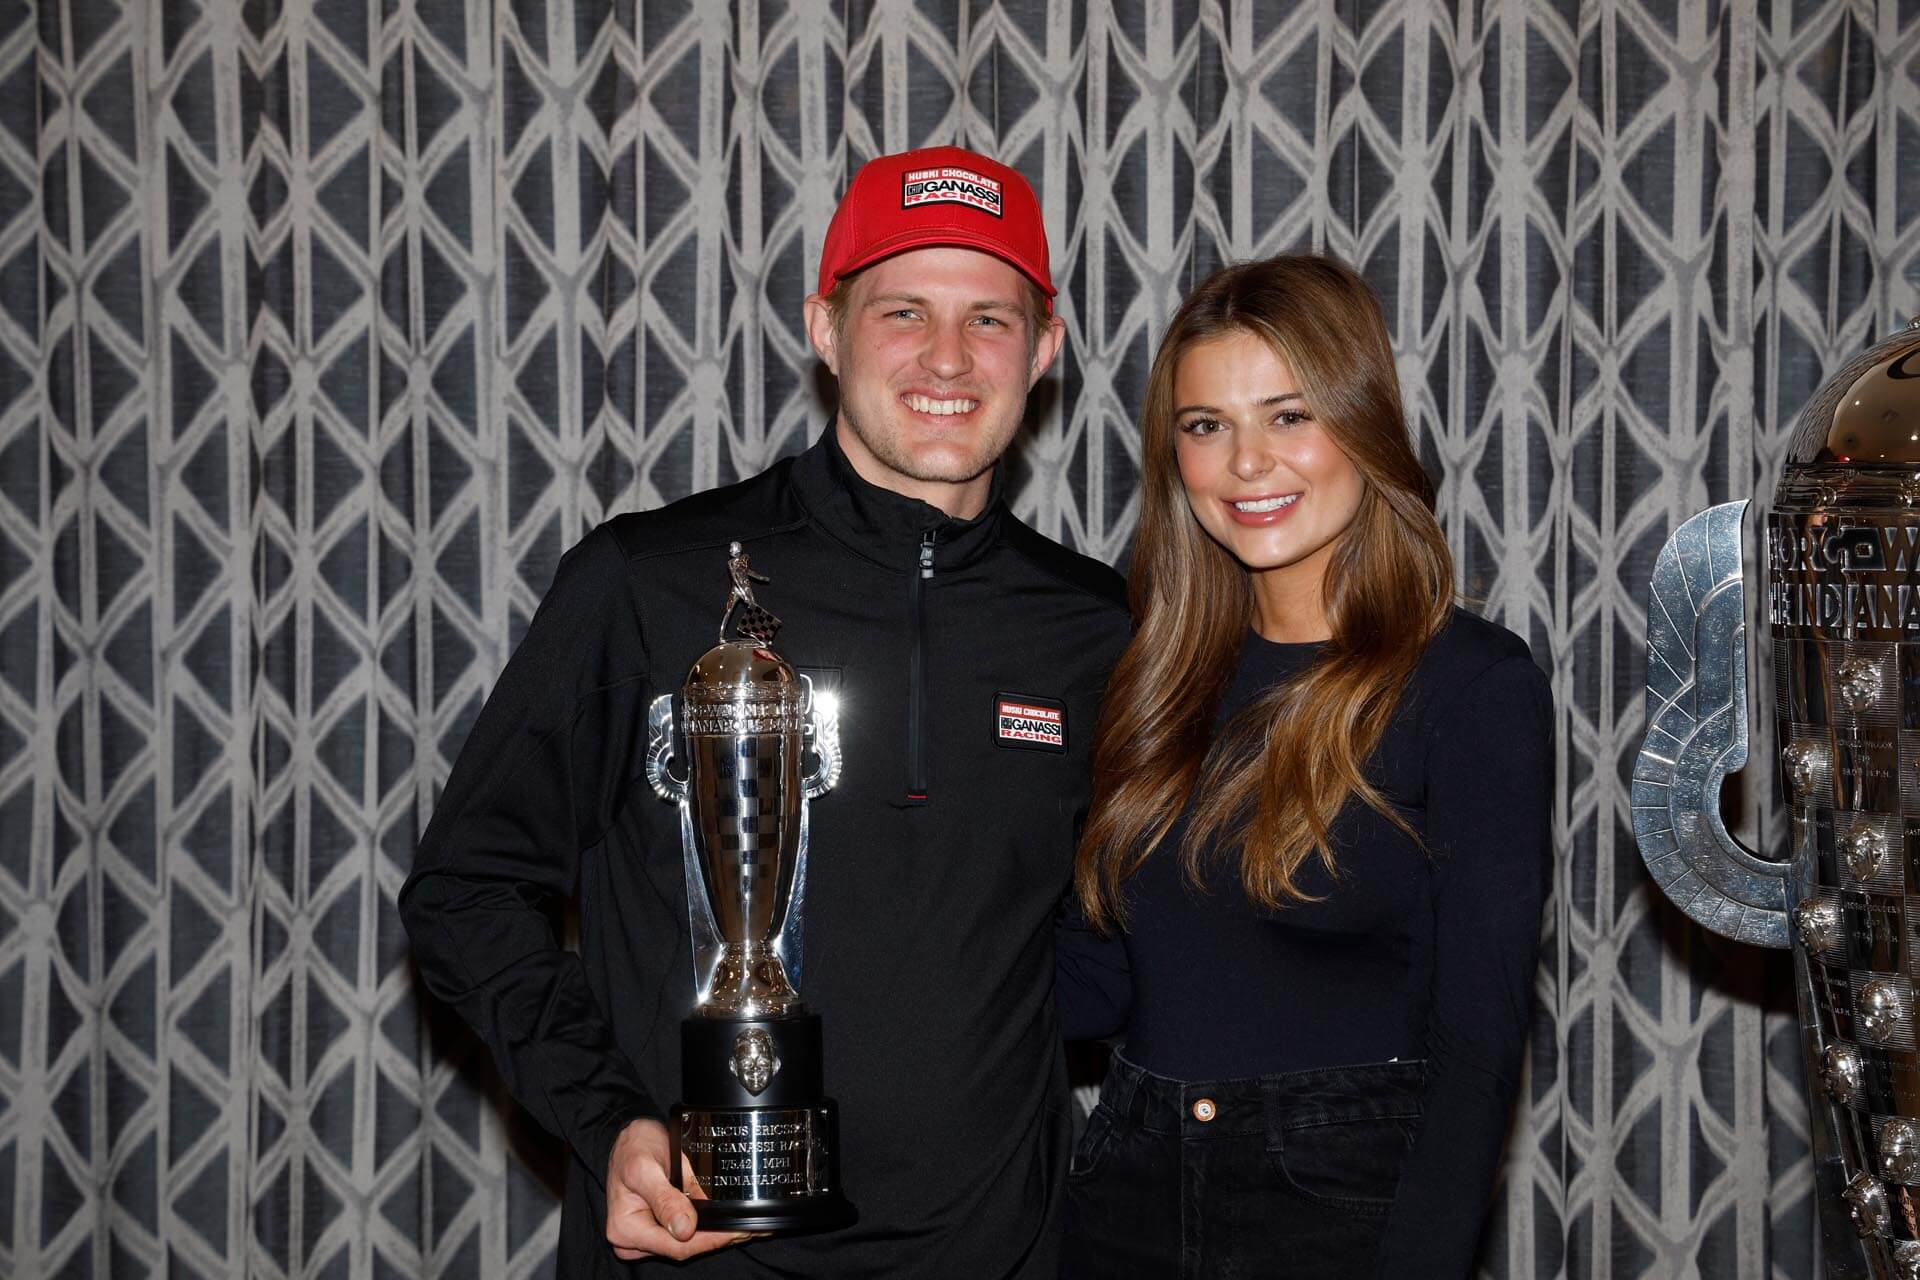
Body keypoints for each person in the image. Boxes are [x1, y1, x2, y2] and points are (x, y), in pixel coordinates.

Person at [399, 146, 1131, 1278]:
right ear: (826, 329)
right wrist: (606, 1120)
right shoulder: (648, 582)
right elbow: (468, 888)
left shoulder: (1101, 627)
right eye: (902, 311)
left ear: (1046, 347)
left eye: (990, 317)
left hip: (1010, 1252)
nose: (948, 357)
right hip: (707, 1247)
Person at [1054, 255, 1553, 1278]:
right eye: (1207, 425)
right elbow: (1088, 993)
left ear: (1361, 422)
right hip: (1125, 1192)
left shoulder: (1469, 684)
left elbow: (1478, 1043)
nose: (1246, 463)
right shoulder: (1145, 668)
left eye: (1288, 416)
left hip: (1343, 1210)